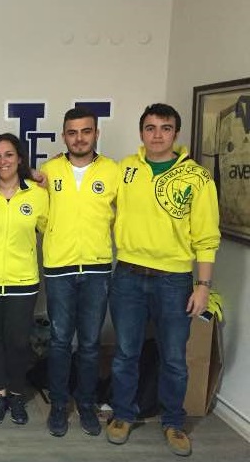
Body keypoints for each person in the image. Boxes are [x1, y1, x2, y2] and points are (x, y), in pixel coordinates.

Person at [107, 103, 220, 457]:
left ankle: (173, 422)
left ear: (176, 133)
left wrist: (203, 286)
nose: (157, 135)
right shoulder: (126, 169)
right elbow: (91, 193)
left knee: (173, 357)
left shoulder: (197, 178)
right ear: (141, 132)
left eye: (165, 128)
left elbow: (207, 237)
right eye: (151, 128)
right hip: (127, 275)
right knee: (125, 353)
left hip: (174, 280)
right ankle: (123, 414)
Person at [40, 107, 119, 437]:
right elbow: (39, 215)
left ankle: (86, 403)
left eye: (86, 131)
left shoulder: (113, 171)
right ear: (64, 136)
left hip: (97, 268)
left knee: (89, 343)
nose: (79, 138)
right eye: (72, 133)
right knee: (59, 341)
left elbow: (124, 215)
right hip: (59, 267)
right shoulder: (49, 171)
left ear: (96, 134)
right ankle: (59, 404)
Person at [0, 133, 48, 426]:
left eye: (9, 154)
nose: (3, 161)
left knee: (18, 341)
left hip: (22, 280)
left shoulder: (37, 194)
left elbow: (50, 230)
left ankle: (16, 394)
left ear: (20, 158)